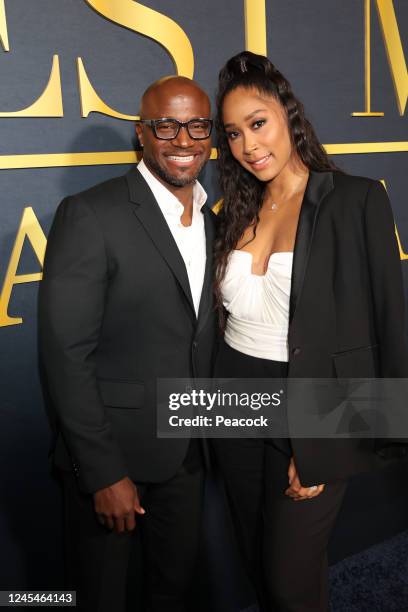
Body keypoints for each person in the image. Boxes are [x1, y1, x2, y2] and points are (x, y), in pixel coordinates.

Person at [212, 51, 408, 612]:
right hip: (233, 404)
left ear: (288, 113)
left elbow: (384, 328)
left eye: (258, 123)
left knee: (287, 580)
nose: (249, 146)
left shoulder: (356, 199)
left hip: (312, 408)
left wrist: (329, 442)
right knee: (255, 561)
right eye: (233, 134)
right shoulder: (235, 212)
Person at [38, 76, 217, 612]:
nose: (183, 140)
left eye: (198, 126)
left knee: (173, 591)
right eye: (167, 125)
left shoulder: (215, 218)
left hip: (189, 454)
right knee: (102, 598)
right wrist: (103, 472)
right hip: (115, 462)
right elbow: (66, 354)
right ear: (142, 134)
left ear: (211, 135)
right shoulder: (91, 214)